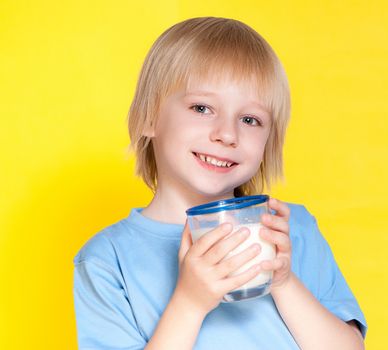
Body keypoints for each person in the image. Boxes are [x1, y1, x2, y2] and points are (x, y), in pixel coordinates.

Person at [73, 16, 367, 349]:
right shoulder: (106, 260)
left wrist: (283, 282)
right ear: (150, 117)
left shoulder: (291, 229)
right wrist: (190, 303)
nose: (227, 134)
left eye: (250, 119)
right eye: (202, 108)